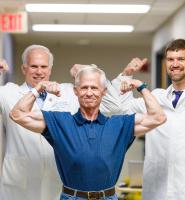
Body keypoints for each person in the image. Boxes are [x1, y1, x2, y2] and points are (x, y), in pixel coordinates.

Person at [9, 66, 166, 200]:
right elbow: (18, 114)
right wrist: (38, 88)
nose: (89, 93)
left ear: (104, 92)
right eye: (84, 88)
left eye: (94, 88)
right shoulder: (60, 121)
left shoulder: (120, 124)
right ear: (75, 91)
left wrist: (141, 86)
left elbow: (158, 117)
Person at [0, 45, 120, 200]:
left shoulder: (68, 92)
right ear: (24, 68)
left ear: (50, 69)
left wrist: (88, 70)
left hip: (58, 179)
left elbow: (114, 106)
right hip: (20, 180)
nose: (39, 71)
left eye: (44, 66)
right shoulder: (9, 92)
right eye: (33, 66)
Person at [116, 39, 185, 200]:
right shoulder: (155, 97)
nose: (175, 64)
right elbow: (119, 108)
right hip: (156, 191)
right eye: (170, 60)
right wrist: (126, 75)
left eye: (181, 59)